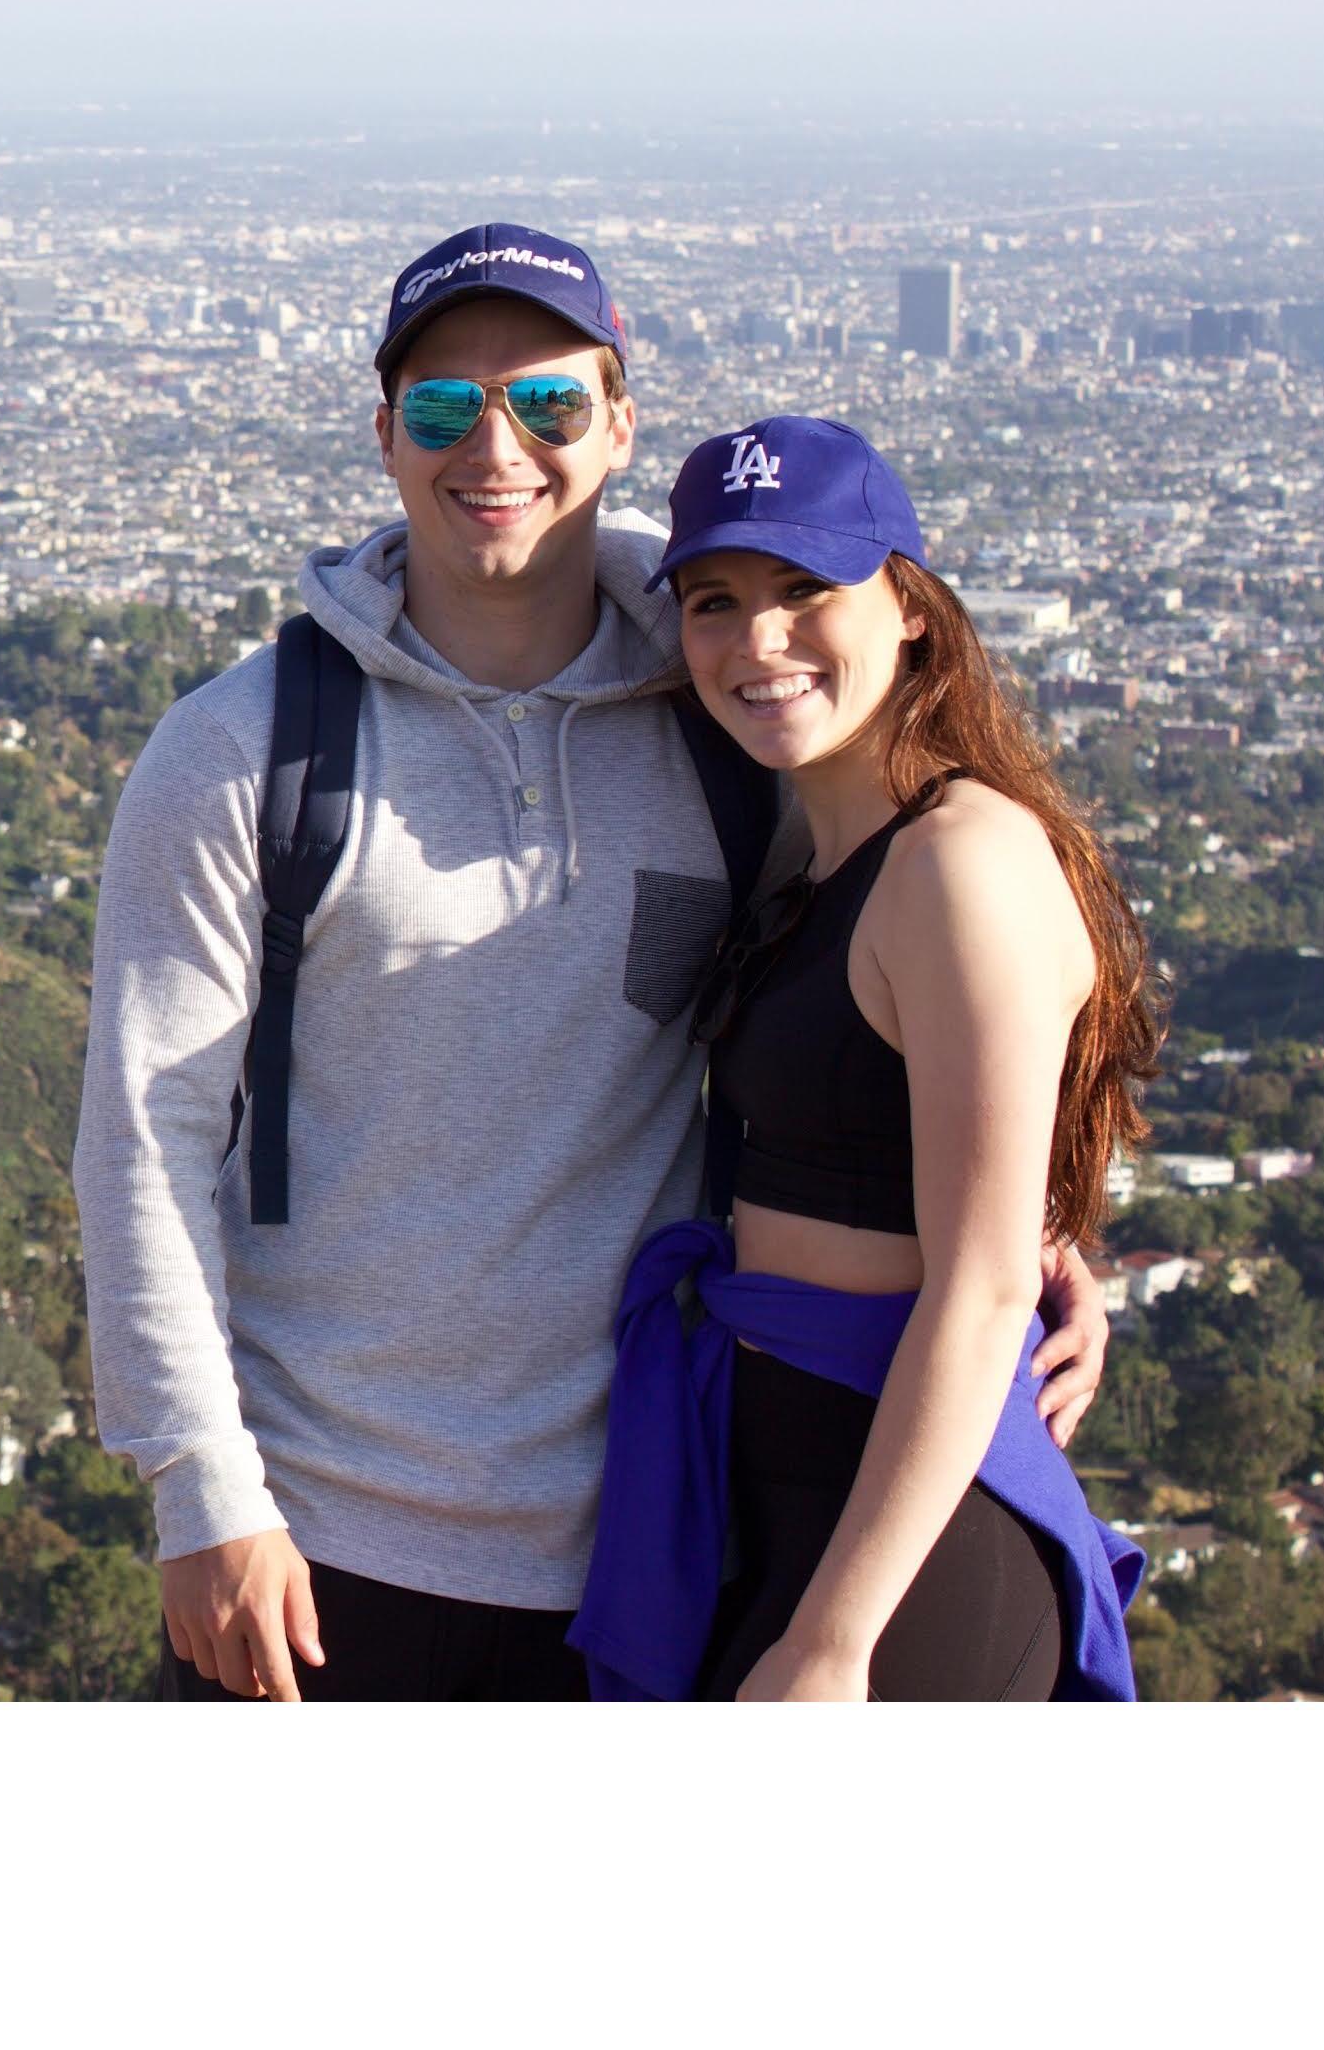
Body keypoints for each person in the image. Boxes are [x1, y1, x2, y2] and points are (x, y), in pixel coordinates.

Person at [71, 223, 1109, 1702]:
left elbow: (875, 1026)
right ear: (383, 436)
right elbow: (141, 1140)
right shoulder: (243, 753)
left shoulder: (726, 721)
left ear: (621, 423)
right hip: (323, 1532)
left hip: (658, 1532)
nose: (497, 444)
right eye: (443, 407)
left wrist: (1027, 1235)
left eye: (550, 403)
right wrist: (200, 1490)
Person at [568, 416, 1151, 1701]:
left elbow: (980, 1289)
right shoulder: (819, 855)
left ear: (916, 611)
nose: (758, 640)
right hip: (784, 1477)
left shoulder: (959, 862)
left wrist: (837, 1639)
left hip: (905, 1537)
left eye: (805, 591)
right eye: (715, 602)